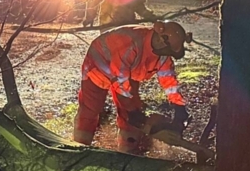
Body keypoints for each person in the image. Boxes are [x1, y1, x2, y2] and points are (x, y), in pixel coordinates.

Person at [72, 21, 192, 154]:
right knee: (91, 108)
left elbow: (169, 81)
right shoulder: (130, 42)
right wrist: (133, 111)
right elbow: (120, 81)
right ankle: (79, 148)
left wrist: (179, 106)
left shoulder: (162, 55)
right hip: (99, 65)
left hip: (128, 70)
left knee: (131, 113)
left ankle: (128, 150)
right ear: (160, 38)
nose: (166, 54)